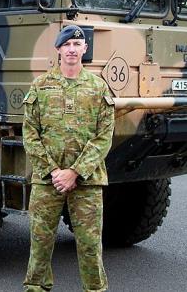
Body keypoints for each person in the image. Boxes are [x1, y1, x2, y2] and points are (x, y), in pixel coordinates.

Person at [22, 25, 115, 292]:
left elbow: (103, 137)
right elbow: (30, 134)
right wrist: (52, 171)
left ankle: (94, 289)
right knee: (40, 242)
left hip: (87, 181)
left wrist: (75, 172)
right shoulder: (41, 86)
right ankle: (36, 288)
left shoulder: (98, 88)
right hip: (46, 180)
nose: (72, 50)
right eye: (67, 45)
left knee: (89, 244)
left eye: (77, 45)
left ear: (85, 49)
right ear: (59, 50)